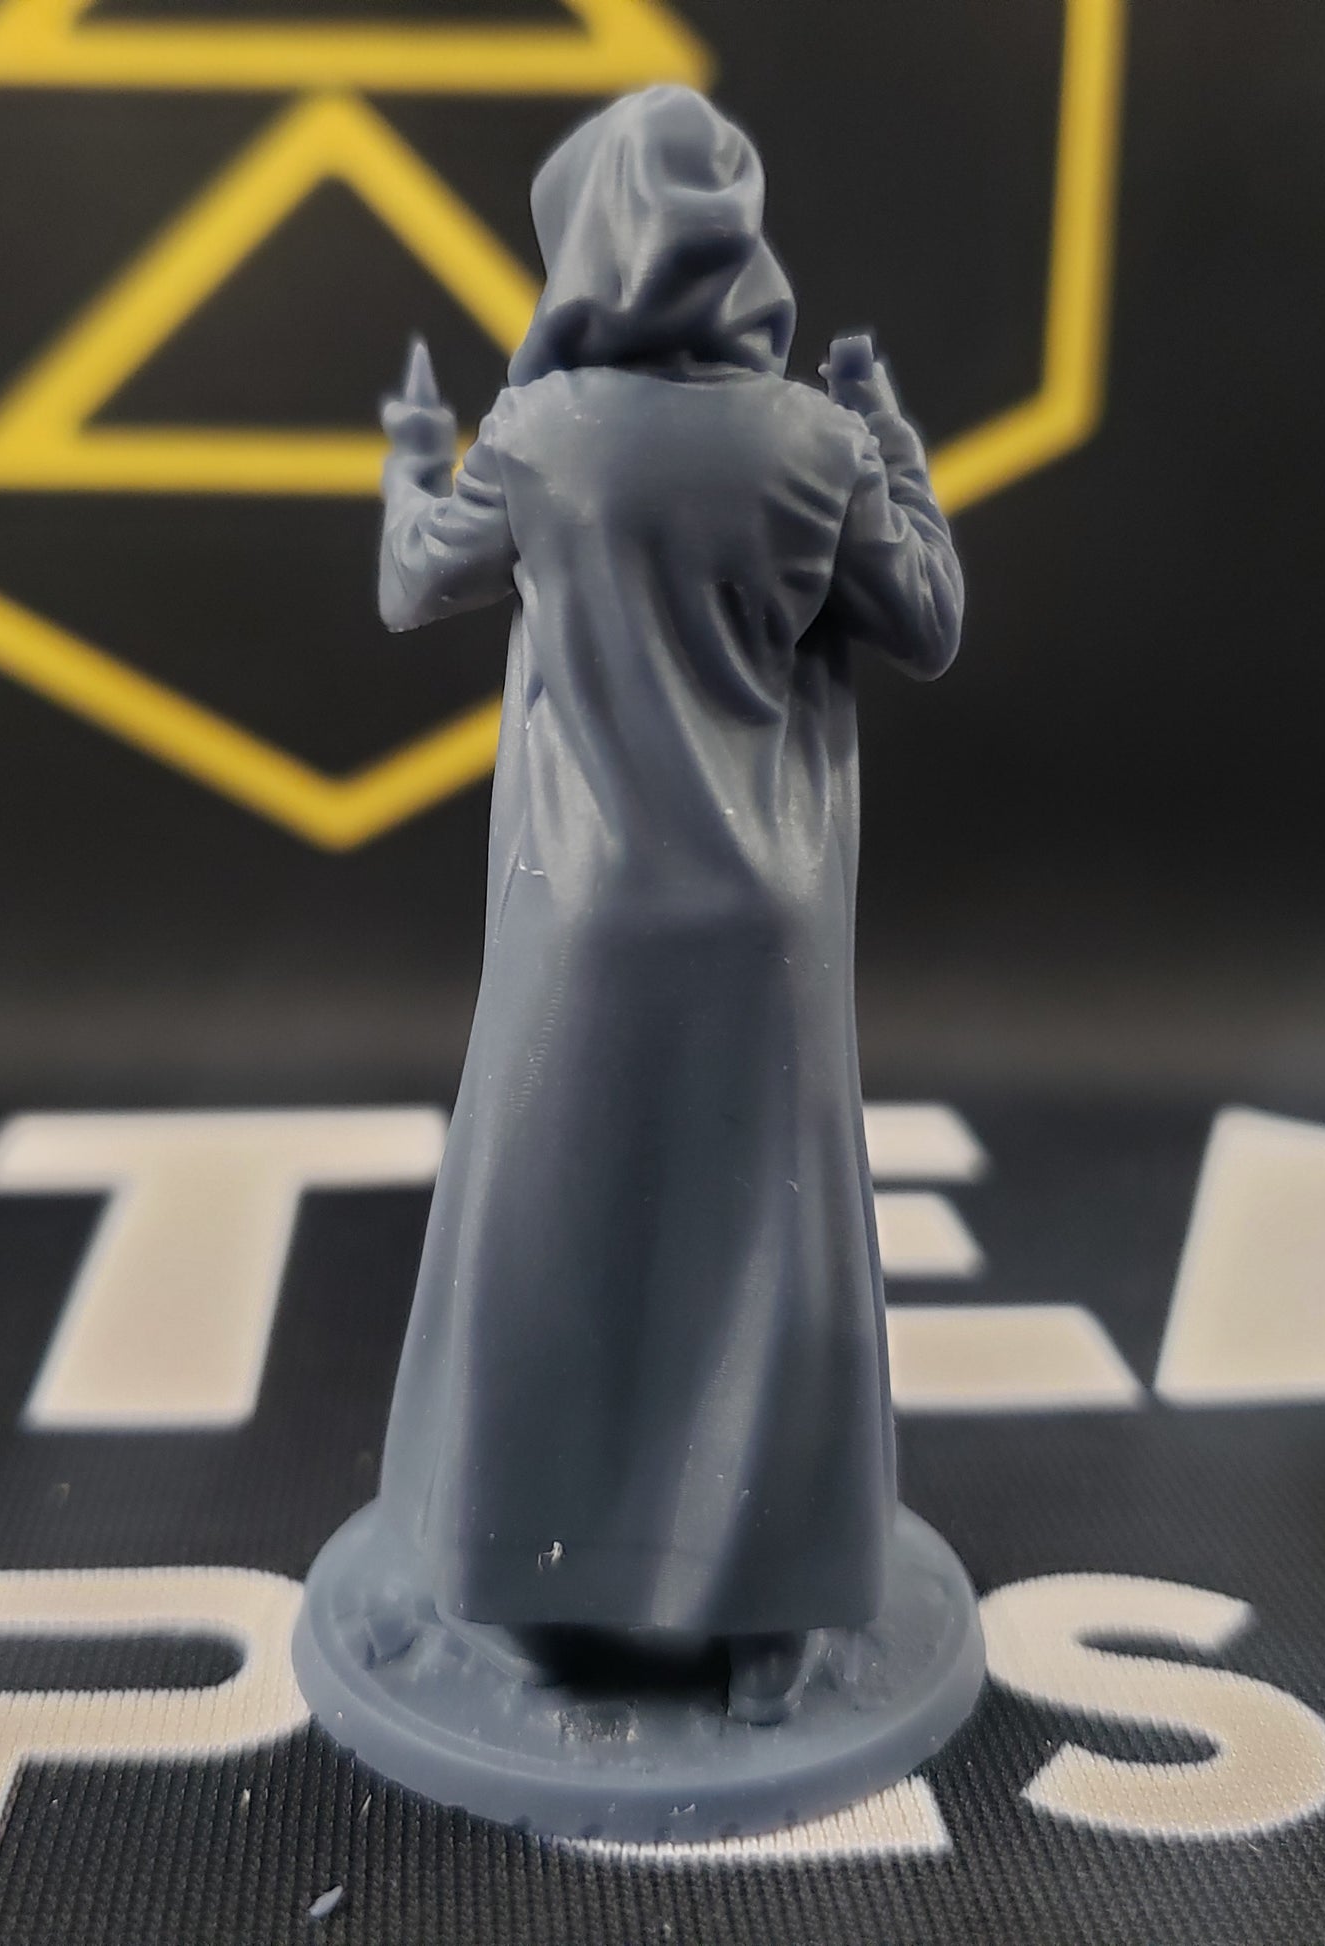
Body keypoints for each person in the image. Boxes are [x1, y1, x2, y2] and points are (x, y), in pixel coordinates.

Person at [372, 83, 963, 1726]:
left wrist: (412, 456)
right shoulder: (811, 444)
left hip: (582, 916)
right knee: (766, 1256)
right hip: (763, 930)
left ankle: (525, 1583)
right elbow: (924, 617)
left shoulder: (541, 430)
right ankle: (769, 1610)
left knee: (555, 1243)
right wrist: (885, 434)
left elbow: (413, 579)